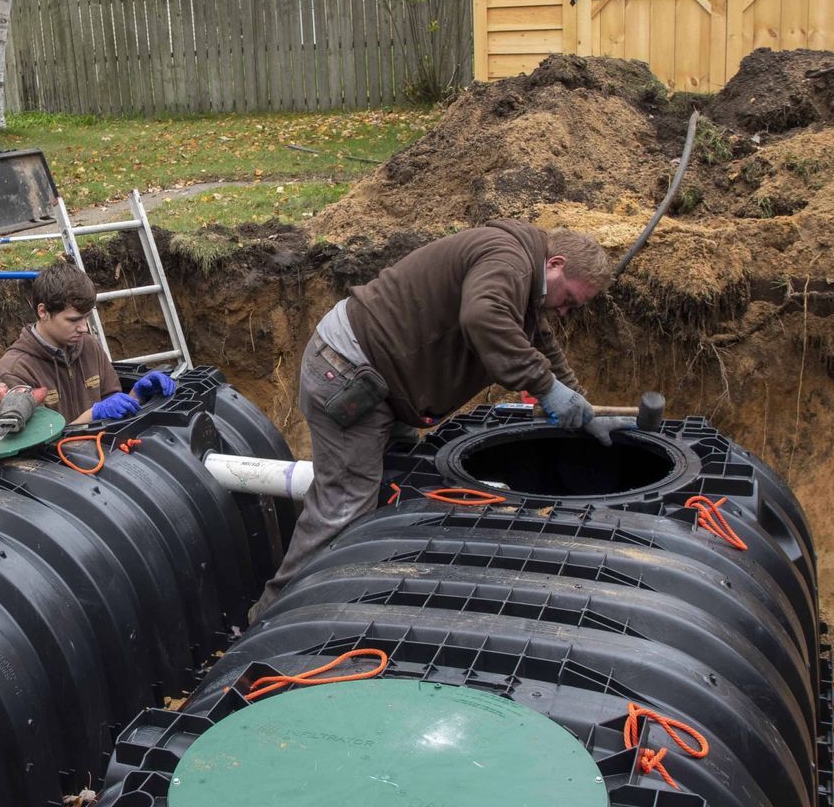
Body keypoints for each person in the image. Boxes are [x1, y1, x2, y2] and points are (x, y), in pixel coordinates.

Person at [252, 220, 613, 616]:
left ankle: (360, 595)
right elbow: (483, 317)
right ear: (556, 264)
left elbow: (537, 337)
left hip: (383, 378)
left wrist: (576, 400)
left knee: (399, 482)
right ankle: (276, 617)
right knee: (342, 508)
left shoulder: (524, 272)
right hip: (350, 371)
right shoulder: (509, 259)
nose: (564, 311)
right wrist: (545, 386)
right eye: (569, 300)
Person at [0, 263, 175, 423]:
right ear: (43, 311)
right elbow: (38, 450)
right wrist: (93, 415)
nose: (84, 328)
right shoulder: (16, 370)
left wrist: (137, 396)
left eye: (86, 318)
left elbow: (111, 406)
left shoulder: (88, 346)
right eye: (74, 320)